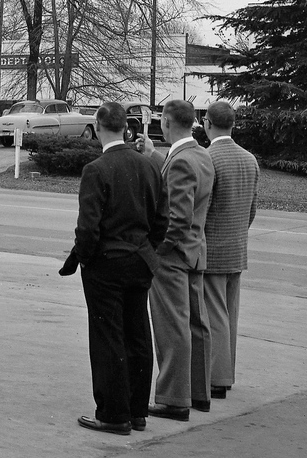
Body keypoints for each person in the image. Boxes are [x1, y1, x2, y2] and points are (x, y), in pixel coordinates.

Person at [61, 101, 167, 435]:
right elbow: (161, 220)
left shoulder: (96, 169)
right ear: (126, 126)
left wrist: (87, 257)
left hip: (106, 263)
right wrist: (147, 248)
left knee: (107, 337)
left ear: (99, 126)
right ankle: (137, 411)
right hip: (140, 260)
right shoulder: (150, 166)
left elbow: (88, 227)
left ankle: (112, 412)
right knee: (137, 334)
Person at [138, 99, 215, 421]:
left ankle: (174, 399)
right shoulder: (200, 155)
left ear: (167, 122)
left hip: (174, 256)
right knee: (197, 326)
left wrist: (159, 252)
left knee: (172, 328)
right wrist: (154, 156)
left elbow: (177, 217)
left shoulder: (181, 160)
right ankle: (198, 393)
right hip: (196, 252)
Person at [202, 101, 259, 400]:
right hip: (237, 249)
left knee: (214, 316)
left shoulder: (208, 158)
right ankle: (227, 373)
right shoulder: (250, 160)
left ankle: (217, 378)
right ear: (233, 124)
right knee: (230, 314)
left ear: (208, 123)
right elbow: (251, 210)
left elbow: (204, 208)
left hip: (212, 250)